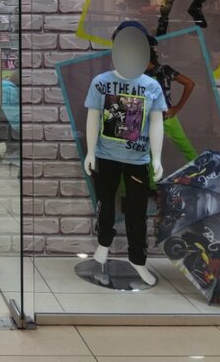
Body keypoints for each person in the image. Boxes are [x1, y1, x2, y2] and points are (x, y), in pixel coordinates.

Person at [83, 21, 166, 286]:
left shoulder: (151, 86)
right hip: (105, 156)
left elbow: (157, 122)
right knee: (105, 204)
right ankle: (103, 246)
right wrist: (90, 152)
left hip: (138, 159)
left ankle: (137, 259)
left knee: (137, 211)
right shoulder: (101, 83)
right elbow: (93, 117)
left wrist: (156, 158)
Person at [147, 47, 197, 164]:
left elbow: (189, 84)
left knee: (186, 148)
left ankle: (202, 171)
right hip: (148, 121)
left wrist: (178, 107)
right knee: (148, 155)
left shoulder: (164, 70)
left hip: (167, 118)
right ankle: (151, 179)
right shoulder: (137, 74)